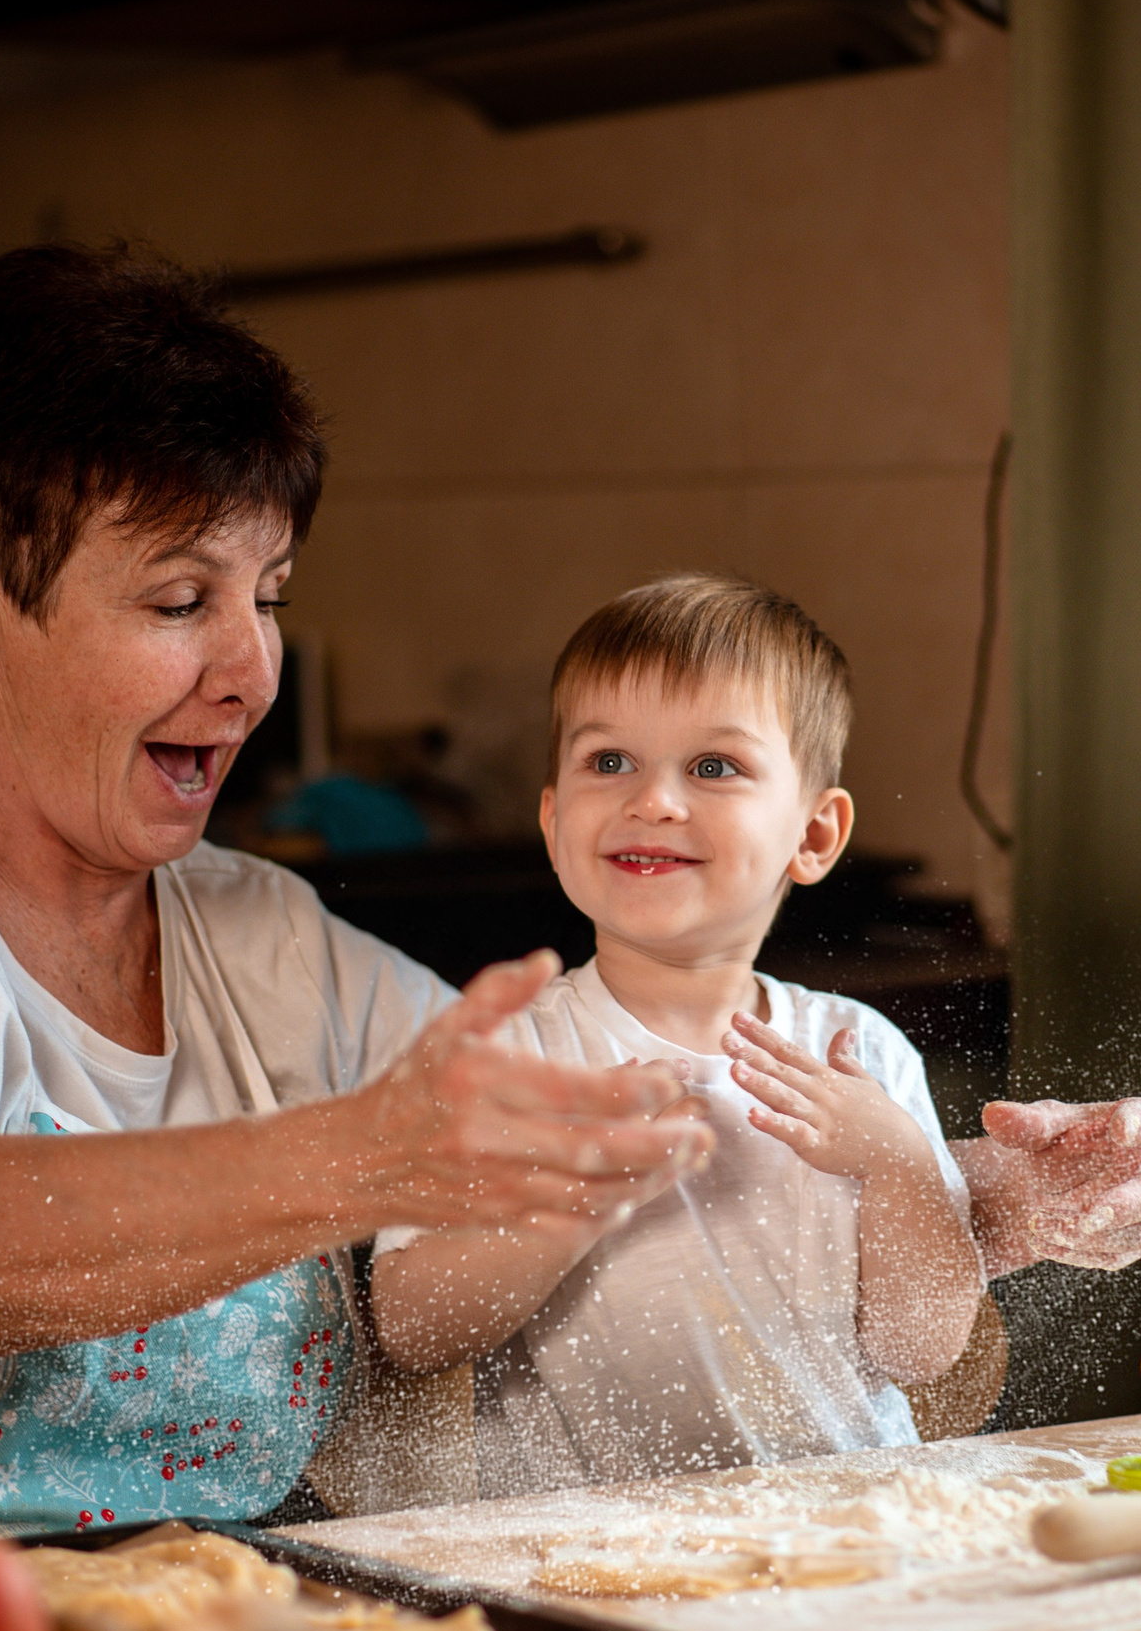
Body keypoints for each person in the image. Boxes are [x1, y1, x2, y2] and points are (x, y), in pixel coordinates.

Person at [0, 241, 1141, 1591]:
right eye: (180, 599)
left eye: (265, 595)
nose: (249, 667)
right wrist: (370, 1156)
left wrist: (985, 1191)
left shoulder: (261, 936)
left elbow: (603, 1123)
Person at [371, 578, 985, 1495]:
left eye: (712, 767)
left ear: (815, 834)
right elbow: (413, 1329)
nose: (653, 800)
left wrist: (896, 1163)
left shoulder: (863, 1054)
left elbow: (922, 1349)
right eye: (609, 761)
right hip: (588, 1567)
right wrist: (573, 1199)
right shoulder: (499, 1057)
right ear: (551, 820)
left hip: (848, 1540)